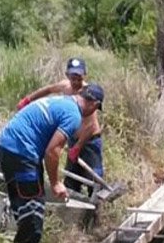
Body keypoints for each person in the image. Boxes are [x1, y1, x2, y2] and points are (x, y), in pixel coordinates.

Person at [0, 84, 105, 243]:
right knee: (33, 201)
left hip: (8, 145)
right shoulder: (73, 115)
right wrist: (55, 183)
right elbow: (53, 150)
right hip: (21, 150)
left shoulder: (62, 101)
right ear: (94, 105)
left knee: (22, 197)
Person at [16, 58, 105, 198]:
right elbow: (47, 89)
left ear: (84, 75)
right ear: (67, 75)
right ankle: (72, 206)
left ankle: (96, 207)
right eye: (73, 77)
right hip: (73, 138)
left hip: (89, 141)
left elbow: (90, 126)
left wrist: (79, 146)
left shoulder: (89, 95)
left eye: (79, 78)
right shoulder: (65, 86)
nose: (76, 82)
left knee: (93, 176)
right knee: (71, 176)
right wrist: (28, 100)